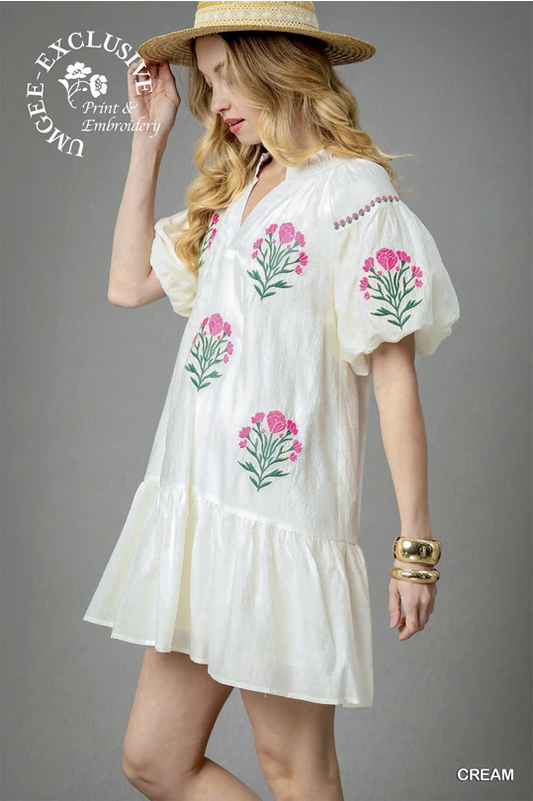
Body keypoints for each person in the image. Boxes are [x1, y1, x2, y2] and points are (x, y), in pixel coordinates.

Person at [83, 1, 460, 799]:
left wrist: (414, 547)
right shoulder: (237, 192)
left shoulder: (354, 193)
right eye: (207, 80)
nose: (215, 99)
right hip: (200, 519)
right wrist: (146, 141)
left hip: (280, 528)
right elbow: (125, 284)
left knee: (296, 772)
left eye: (227, 75)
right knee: (154, 759)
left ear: (276, 67)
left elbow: (393, 377)